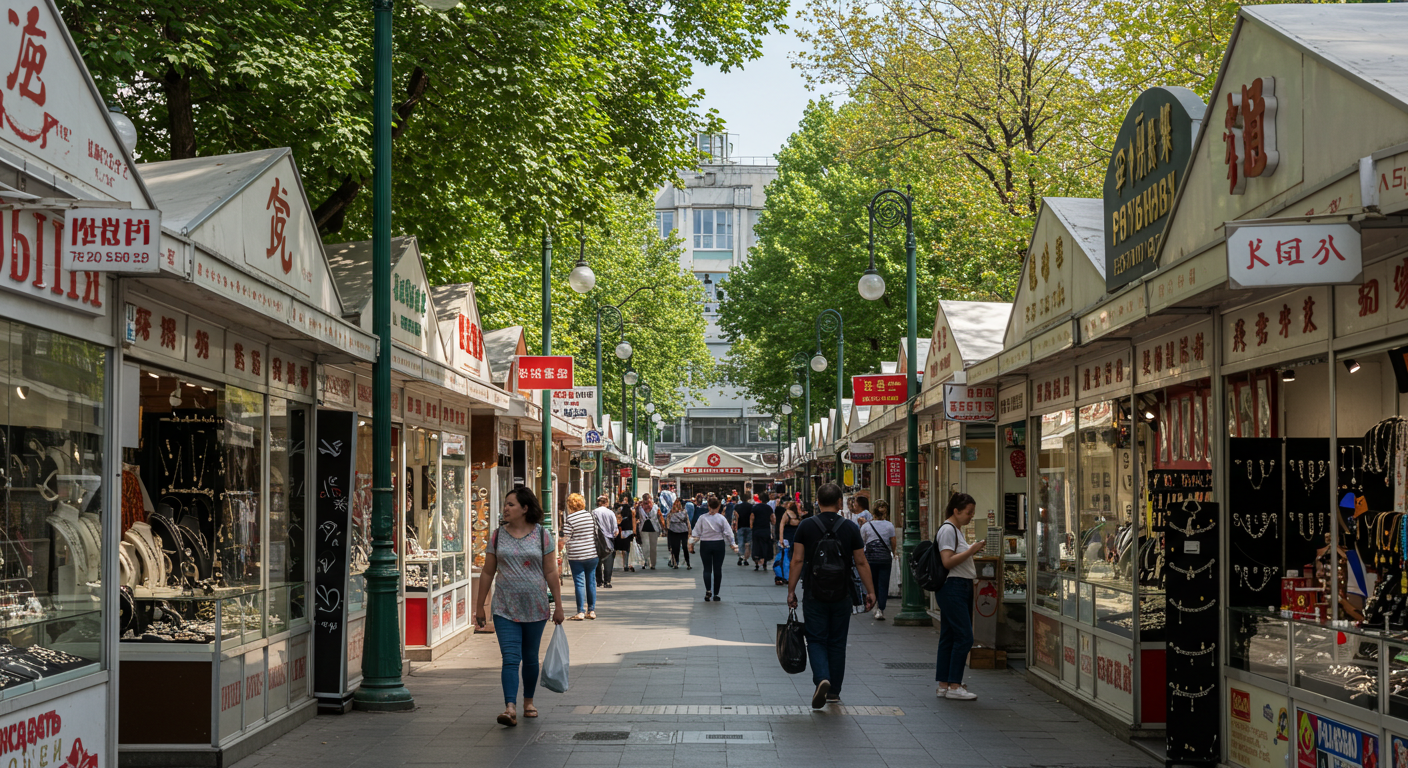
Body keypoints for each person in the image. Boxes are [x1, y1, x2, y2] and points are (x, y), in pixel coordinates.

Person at [473, 487, 565, 727]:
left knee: (531, 658)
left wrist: (559, 606)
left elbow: (551, 571)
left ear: (525, 508)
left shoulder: (542, 535)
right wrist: (480, 606)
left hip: (535, 606)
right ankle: (510, 707)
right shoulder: (497, 536)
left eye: (511, 504)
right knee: (510, 658)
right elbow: (487, 572)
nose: (506, 508)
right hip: (504, 607)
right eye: (505, 504)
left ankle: (528, 702)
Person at [788, 483, 874, 708]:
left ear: (817, 501)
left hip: (814, 592)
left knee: (816, 639)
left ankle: (821, 678)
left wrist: (791, 590)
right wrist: (871, 591)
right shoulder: (850, 527)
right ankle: (834, 690)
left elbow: (797, 560)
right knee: (837, 642)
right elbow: (861, 561)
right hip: (842, 592)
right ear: (839, 503)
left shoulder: (806, 526)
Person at [935, 492, 984, 701]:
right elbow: (947, 561)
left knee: (949, 635)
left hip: (957, 585)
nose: (971, 516)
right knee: (964, 636)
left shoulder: (955, 530)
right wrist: (972, 550)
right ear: (956, 510)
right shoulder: (948, 530)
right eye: (968, 512)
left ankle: (945, 683)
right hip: (953, 585)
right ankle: (954, 684)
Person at [559, 493, 600, 620]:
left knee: (579, 582)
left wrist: (560, 545)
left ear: (570, 505)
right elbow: (596, 532)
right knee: (591, 581)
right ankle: (592, 610)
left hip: (576, 555)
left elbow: (566, 537)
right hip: (592, 553)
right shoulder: (590, 515)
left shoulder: (570, 519)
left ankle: (581, 611)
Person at [689, 496, 738, 601]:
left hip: (705, 544)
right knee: (717, 569)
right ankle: (716, 593)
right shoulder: (721, 518)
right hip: (718, 544)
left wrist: (691, 544)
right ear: (719, 506)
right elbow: (728, 533)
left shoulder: (702, 518)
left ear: (708, 506)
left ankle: (708, 590)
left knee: (707, 569)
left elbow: (696, 533)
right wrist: (732, 544)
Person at [860, 500, 898, 620]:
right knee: (883, 584)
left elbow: (863, 542)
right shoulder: (889, 525)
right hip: (885, 559)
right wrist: (894, 552)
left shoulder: (866, 526)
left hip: (870, 559)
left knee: (873, 583)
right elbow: (893, 541)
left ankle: (874, 605)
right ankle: (880, 609)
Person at [592, 495, 618, 588]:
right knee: (608, 560)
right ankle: (607, 581)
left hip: (597, 539)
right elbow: (615, 529)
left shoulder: (594, 512)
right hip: (609, 538)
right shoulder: (610, 513)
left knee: (597, 560)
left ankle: (599, 581)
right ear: (606, 503)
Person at [774, 500, 802, 586]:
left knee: (785, 556)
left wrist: (781, 538)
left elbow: (781, 525)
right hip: (794, 538)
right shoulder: (797, 515)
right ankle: (787, 575)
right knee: (790, 557)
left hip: (788, 537)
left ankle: (784, 575)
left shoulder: (788, 513)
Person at [635, 493, 662, 569]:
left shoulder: (656, 507)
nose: (647, 502)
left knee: (653, 548)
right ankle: (646, 561)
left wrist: (663, 528)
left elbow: (660, 518)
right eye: (645, 500)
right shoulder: (639, 508)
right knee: (645, 546)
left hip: (654, 529)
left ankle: (653, 564)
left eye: (648, 500)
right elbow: (636, 517)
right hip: (643, 529)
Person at [750, 494, 775, 571]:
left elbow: (752, 518)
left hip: (756, 529)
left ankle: (757, 563)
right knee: (765, 546)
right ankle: (765, 562)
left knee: (756, 546)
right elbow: (773, 519)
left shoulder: (755, 507)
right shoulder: (769, 508)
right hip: (766, 530)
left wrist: (752, 527)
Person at [666, 498, 692, 569]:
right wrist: (689, 531)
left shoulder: (671, 513)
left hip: (674, 531)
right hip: (683, 531)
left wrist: (668, 530)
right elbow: (687, 522)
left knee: (676, 548)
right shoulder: (684, 512)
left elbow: (668, 523)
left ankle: (676, 563)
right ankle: (687, 563)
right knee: (684, 547)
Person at [614, 493, 636, 573]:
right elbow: (634, 522)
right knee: (626, 549)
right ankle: (626, 564)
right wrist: (634, 532)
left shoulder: (619, 511)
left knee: (620, 549)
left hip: (621, 532)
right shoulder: (631, 512)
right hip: (627, 532)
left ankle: (623, 564)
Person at [734, 495, 753, 566]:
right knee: (747, 544)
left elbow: (735, 517)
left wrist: (735, 526)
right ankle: (746, 559)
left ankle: (741, 556)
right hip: (749, 526)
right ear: (748, 499)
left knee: (740, 543)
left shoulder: (737, 507)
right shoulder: (751, 506)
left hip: (740, 526)